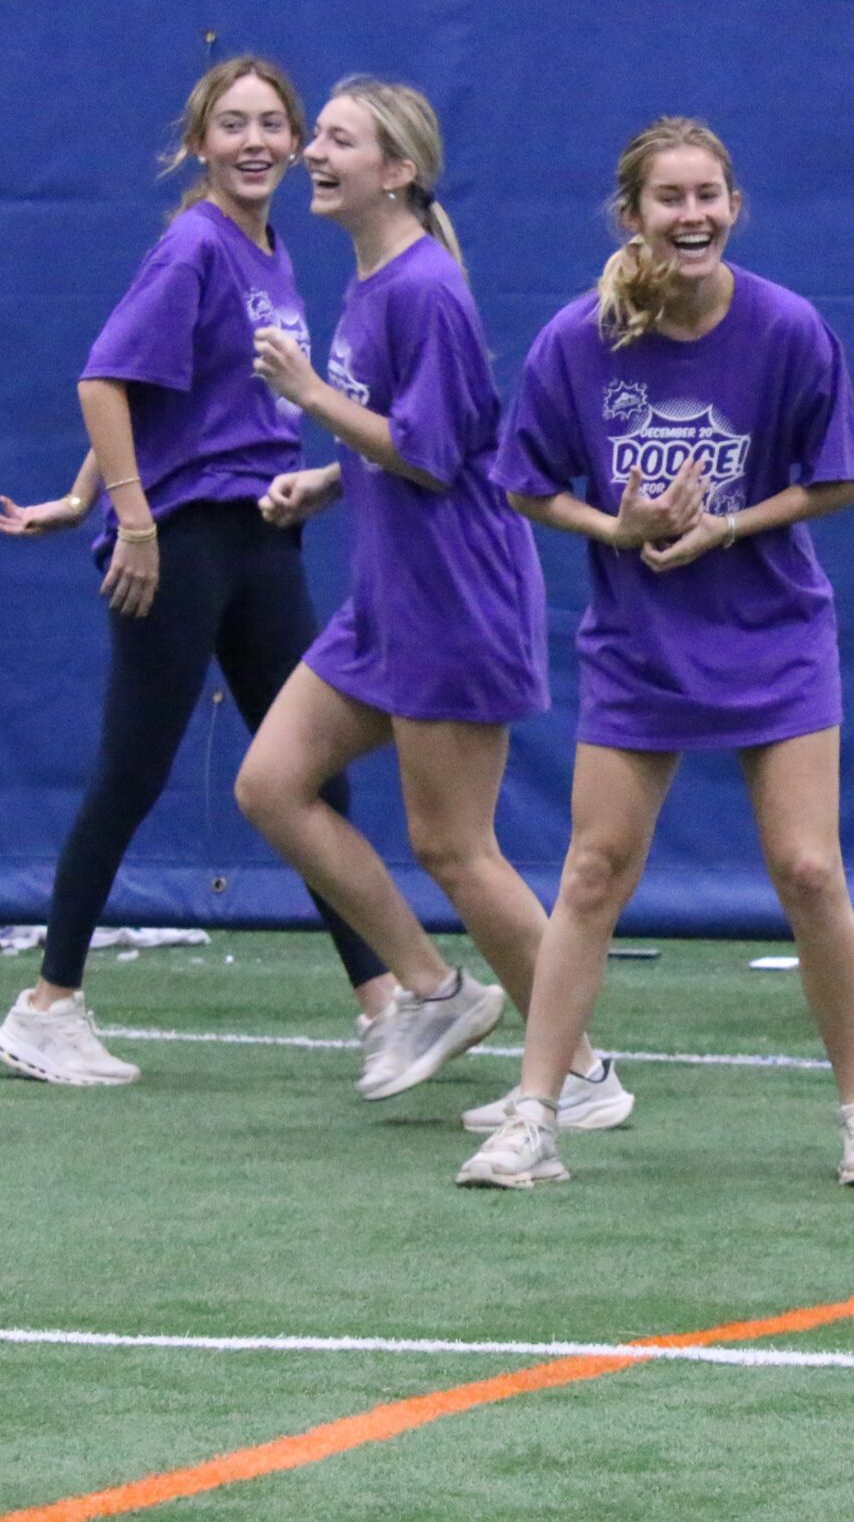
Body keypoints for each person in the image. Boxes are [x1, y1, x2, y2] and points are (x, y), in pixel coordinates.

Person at [456, 117, 854, 1190]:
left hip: (774, 634)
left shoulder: (790, 328)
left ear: (734, 206)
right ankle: (535, 1114)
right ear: (632, 215)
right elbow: (527, 483)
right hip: (637, 643)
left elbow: (840, 479)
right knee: (593, 869)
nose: (692, 214)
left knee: (808, 869)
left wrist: (728, 525)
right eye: (670, 198)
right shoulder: (578, 340)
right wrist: (615, 527)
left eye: (709, 195)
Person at [0, 58, 398, 1088]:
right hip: (186, 541)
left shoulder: (269, 248)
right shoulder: (193, 245)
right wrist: (126, 517)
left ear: (297, 140)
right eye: (231, 125)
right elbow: (104, 378)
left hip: (260, 539)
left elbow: (169, 390)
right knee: (132, 769)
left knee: (310, 773)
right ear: (199, 143)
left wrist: (80, 495)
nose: (254, 141)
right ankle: (48, 1003)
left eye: (272, 124)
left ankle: (387, 1004)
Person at [236, 77, 622, 1119]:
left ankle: (579, 1071)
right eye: (315, 135)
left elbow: (439, 454)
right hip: (385, 602)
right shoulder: (372, 280)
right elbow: (408, 433)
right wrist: (326, 478)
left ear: (397, 171)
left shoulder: (423, 287)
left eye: (339, 141)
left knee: (455, 846)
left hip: (454, 601)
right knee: (271, 785)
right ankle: (434, 988)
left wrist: (310, 400)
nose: (312, 152)